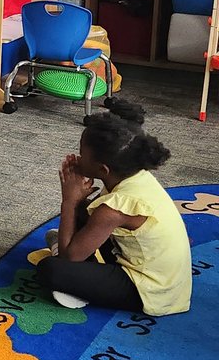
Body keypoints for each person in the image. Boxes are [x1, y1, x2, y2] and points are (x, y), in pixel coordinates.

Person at [33, 100, 191, 315]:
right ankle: (69, 252)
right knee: (84, 215)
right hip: (157, 276)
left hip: (150, 291)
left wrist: (69, 201)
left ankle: (73, 285)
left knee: (50, 269)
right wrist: (79, 205)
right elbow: (94, 219)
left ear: (102, 169)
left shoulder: (113, 210)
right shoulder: (134, 177)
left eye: (81, 154)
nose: (78, 158)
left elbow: (70, 258)